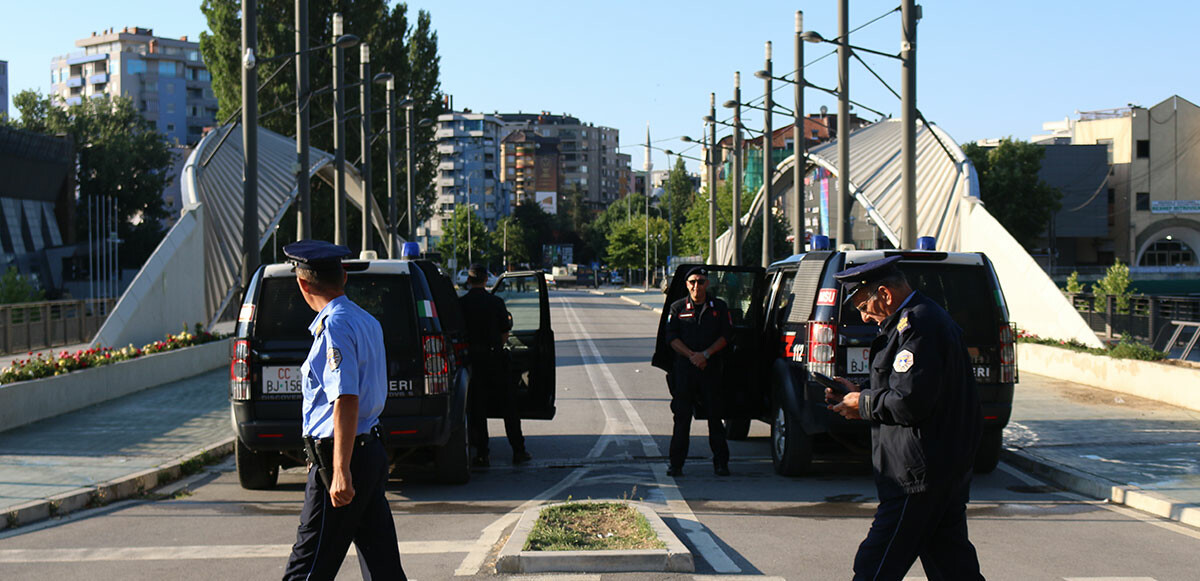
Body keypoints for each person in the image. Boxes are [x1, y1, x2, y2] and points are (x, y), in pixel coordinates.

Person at [825, 256, 984, 581]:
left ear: (884, 294)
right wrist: (857, 392)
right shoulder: (917, 322)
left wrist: (864, 404)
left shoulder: (919, 328)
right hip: (936, 471)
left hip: (918, 477)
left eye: (862, 305)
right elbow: (905, 387)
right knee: (953, 570)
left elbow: (910, 402)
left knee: (874, 568)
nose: (863, 316)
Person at [281, 240, 406, 581]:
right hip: (369, 450)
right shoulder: (366, 320)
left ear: (303, 284)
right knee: (382, 565)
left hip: (345, 457)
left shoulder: (334, 326)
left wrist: (339, 469)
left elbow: (346, 397)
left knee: (307, 566)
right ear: (345, 276)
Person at [663, 266, 734, 477]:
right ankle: (676, 464)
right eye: (692, 282)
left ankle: (721, 463)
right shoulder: (677, 308)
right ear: (686, 285)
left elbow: (726, 336)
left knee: (715, 418)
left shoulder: (719, 307)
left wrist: (706, 355)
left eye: (701, 281)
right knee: (682, 419)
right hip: (685, 370)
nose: (696, 286)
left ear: (707, 284)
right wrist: (692, 356)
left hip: (710, 369)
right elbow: (671, 338)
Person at [458, 263, 530, 467]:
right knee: (509, 408)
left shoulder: (462, 304)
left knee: (478, 409)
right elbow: (505, 333)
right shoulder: (496, 302)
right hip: (496, 360)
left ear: (469, 281)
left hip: (473, 362)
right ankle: (519, 450)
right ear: (485, 280)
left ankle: (482, 454)